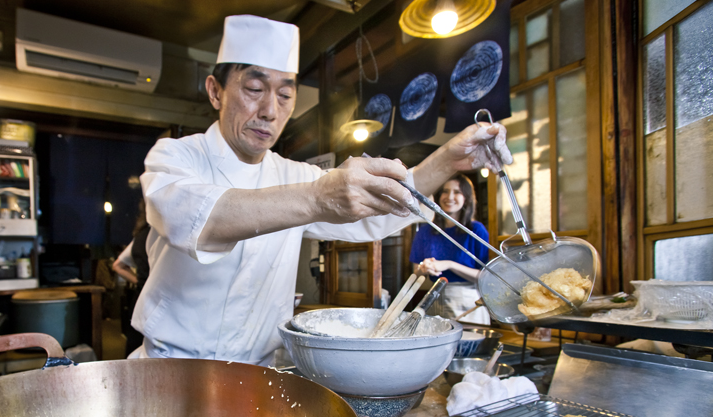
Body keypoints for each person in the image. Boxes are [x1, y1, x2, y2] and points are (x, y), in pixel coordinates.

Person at [130, 14, 511, 365]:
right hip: (171, 368)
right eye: (253, 88)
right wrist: (316, 198)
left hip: (257, 375)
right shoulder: (176, 156)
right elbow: (198, 219)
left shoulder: (291, 173)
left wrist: (446, 161)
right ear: (215, 92)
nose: (269, 111)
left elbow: (374, 216)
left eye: (284, 95)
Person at [409, 174, 491, 324]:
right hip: (434, 300)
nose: (450, 196)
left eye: (457, 192)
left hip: (468, 303)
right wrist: (424, 268)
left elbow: (485, 277)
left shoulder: (477, 230)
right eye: (445, 191)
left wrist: (449, 264)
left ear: (466, 197)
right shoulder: (425, 231)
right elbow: (416, 273)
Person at [112, 201, 151, 355]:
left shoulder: (140, 235)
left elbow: (117, 266)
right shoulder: (163, 236)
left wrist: (140, 281)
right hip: (157, 302)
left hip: (139, 300)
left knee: (135, 349)